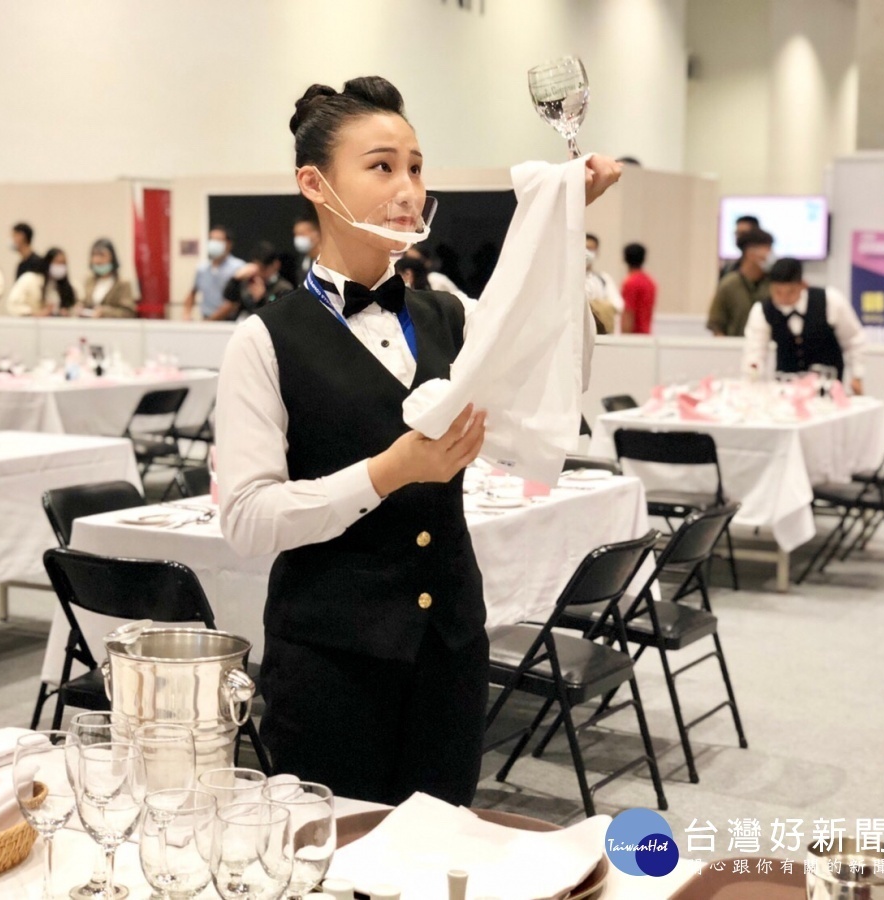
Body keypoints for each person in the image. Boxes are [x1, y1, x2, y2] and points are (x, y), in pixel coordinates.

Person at [216, 75, 619, 807]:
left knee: (440, 850)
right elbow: (246, 520)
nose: (407, 188)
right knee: (332, 862)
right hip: (331, 662)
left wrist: (559, 230)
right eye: (381, 167)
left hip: (452, 652)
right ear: (314, 182)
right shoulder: (263, 340)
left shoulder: (448, 312)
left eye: (415, 166)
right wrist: (388, 472)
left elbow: (550, 370)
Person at [743, 258, 865, 392]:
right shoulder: (762, 310)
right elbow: (755, 350)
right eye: (777, 292)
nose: (783, 298)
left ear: (803, 285)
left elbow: (853, 339)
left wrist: (857, 375)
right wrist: (752, 376)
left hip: (828, 388)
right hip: (787, 389)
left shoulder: (830, 300)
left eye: (790, 292)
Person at [707, 228, 773, 337]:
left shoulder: (772, 284)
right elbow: (716, 325)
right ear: (750, 253)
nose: (770, 255)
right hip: (736, 347)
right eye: (767, 249)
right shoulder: (729, 284)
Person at [216, 242, 294, 319]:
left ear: (275, 265)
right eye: (257, 267)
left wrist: (261, 300)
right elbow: (229, 298)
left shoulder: (283, 288)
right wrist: (235, 280)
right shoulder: (249, 282)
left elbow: (277, 317)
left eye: (263, 269)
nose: (259, 272)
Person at [182, 226, 245, 320]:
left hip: (229, 322)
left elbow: (233, 302)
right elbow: (192, 292)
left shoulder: (239, 268)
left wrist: (210, 321)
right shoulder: (202, 269)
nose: (213, 243)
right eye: (211, 239)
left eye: (218, 240)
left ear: (228, 243)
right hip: (206, 319)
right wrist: (186, 314)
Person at [6, 246, 76, 316]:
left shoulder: (65, 287)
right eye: (58, 262)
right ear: (48, 262)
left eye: (64, 263)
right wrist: (34, 313)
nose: (61, 267)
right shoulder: (29, 280)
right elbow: (13, 304)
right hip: (32, 323)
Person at [77, 238, 138, 318]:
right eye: (95, 255)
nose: (98, 260)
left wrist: (105, 312)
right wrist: (80, 308)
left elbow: (129, 313)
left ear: (112, 258)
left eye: (102, 255)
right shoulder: (89, 281)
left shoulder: (123, 284)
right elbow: (84, 302)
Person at [584, 233, 623, 334]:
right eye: (585, 248)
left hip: (600, 334)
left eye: (591, 249)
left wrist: (593, 305)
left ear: (597, 252)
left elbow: (617, 305)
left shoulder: (603, 279)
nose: (587, 252)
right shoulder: (570, 278)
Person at [402, 245, 469, 300]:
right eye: (406, 260)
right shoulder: (403, 285)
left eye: (415, 262)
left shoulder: (435, 279)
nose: (412, 265)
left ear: (427, 262)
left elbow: (461, 301)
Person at [621, 242, 657, 335]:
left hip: (634, 335)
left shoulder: (631, 283)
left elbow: (629, 313)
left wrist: (624, 338)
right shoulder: (650, 282)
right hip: (646, 334)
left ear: (625, 258)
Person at [719, 214, 760, 280]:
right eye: (737, 233)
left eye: (743, 234)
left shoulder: (765, 268)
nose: (739, 238)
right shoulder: (730, 268)